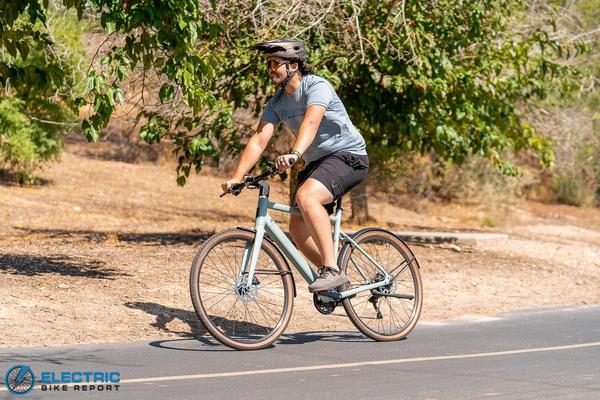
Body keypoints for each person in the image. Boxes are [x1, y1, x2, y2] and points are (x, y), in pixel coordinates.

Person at [221, 38, 369, 292]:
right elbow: (259, 139)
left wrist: (294, 153)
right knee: (297, 228)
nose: (271, 69)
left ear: (293, 65)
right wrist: (237, 176)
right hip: (318, 161)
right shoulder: (277, 102)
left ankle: (331, 269)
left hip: (348, 156)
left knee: (306, 196)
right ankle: (338, 278)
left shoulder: (317, 86)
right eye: (268, 64)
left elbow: (311, 123)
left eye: (275, 63)